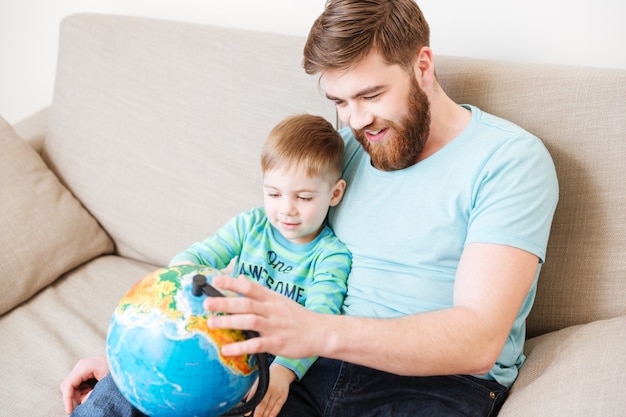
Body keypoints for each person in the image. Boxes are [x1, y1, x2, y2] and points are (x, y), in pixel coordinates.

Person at [61, 1, 559, 416]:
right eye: (339, 100)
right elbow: (269, 240)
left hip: (431, 385)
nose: (357, 119)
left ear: (422, 66)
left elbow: (477, 341)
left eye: (371, 94)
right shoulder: (341, 152)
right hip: (300, 361)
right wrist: (139, 357)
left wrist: (314, 331)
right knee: (120, 400)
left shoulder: (508, 160)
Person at [60, 114, 352, 417]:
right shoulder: (251, 225)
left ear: (335, 193)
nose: (286, 209)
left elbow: (319, 322)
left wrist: (284, 372)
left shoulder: (331, 255)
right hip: (222, 334)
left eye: (304, 197)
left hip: (276, 355)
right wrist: (185, 278)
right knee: (129, 383)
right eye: (274, 194)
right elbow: (194, 258)